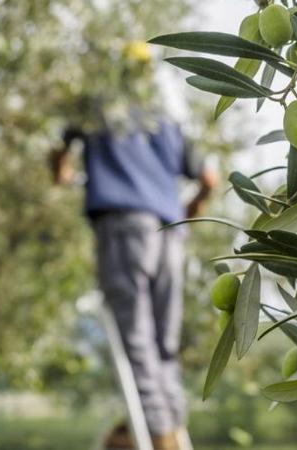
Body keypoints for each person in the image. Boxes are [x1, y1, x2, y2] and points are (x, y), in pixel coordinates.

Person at [51, 47, 218, 450]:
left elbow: (59, 149)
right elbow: (210, 178)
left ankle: (162, 441)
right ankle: (172, 431)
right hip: (169, 234)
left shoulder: (97, 107)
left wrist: (61, 172)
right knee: (164, 348)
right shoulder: (165, 119)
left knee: (138, 345)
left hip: (126, 229)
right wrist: (188, 210)